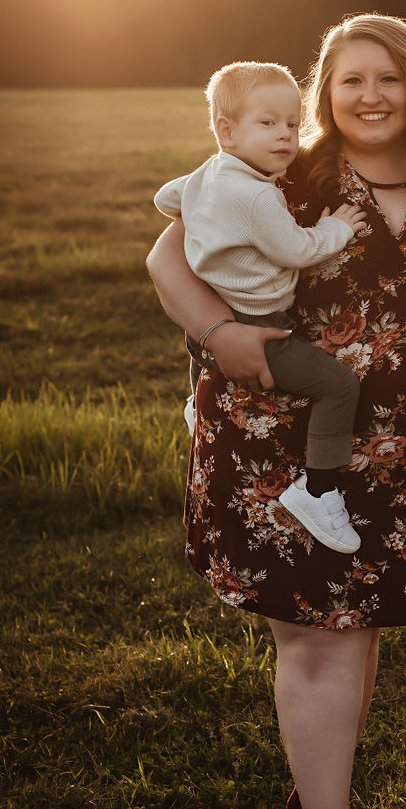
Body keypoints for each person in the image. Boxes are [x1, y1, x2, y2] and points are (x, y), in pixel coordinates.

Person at [146, 15, 406, 809]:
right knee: (318, 640)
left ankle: (313, 787)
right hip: (279, 442)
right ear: (324, 93)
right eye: (349, 80)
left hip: (403, 447)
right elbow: (164, 252)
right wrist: (219, 332)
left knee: (353, 629)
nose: (369, 96)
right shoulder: (289, 178)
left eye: (388, 79)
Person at [154, 60, 368, 552]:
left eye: (292, 124)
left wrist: (203, 208)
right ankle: (318, 489)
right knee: (339, 385)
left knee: (200, 349)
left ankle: (195, 406)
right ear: (226, 132)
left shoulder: (209, 172)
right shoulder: (257, 198)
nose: (286, 137)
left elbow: (169, 198)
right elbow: (297, 250)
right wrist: (337, 227)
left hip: (207, 323)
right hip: (259, 329)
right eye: (267, 124)